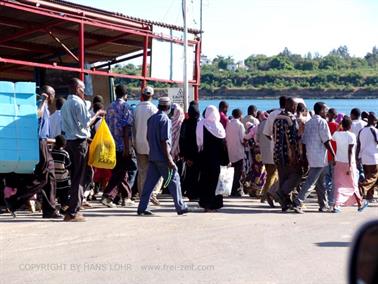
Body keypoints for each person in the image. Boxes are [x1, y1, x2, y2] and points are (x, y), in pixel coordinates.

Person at [4, 85, 61, 219]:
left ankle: (49, 209)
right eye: (52, 95)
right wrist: (43, 101)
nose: (53, 98)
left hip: (43, 143)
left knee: (49, 177)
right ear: (48, 95)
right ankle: (15, 200)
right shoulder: (40, 105)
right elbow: (37, 115)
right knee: (42, 178)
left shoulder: (44, 107)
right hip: (39, 144)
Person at [61, 78, 105, 222]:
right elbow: (86, 123)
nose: (84, 91)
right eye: (82, 88)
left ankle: (73, 203)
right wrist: (97, 115)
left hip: (71, 142)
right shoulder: (77, 102)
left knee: (81, 175)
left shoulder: (66, 103)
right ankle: (73, 211)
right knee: (81, 176)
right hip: (79, 143)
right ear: (78, 88)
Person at [137, 97, 188, 215]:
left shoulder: (151, 119)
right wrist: (169, 160)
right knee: (174, 180)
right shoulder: (165, 120)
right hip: (163, 158)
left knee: (149, 184)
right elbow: (164, 141)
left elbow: (148, 137)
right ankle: (180, 206)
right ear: (168, 107)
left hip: (153, 156)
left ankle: (142, 207)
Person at [293, 102, 336, 214]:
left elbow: (304, 141)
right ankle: (298, 202)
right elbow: (326, 140)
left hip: (311, 155)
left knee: (321, 182)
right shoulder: (322, 122)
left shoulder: (309, 122)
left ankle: (323, 205)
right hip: (320, 156)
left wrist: (304, 156)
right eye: (325, 110)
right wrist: (333, 154)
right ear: (321, 110)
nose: (327, 112)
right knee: (311, 182)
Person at [101, 84, 135, 208]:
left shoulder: (109, 107)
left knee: (121, 171)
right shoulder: (126, 107)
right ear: (126, 95)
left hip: (111, 144)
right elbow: (127, 128)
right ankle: (108, 195)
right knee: (120, 172)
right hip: (122, 144)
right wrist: (128, 147)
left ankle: (126, 197)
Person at [272, 98, 302, 212]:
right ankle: (281, 193)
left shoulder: (276, 118)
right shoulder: (291, 119)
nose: (295, 108)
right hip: (287, 155)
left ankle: (284, 205)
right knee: (297, 175)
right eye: (294, 106)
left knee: (283, 178)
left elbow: (273, 136)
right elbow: (292, 140)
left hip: (276, 153)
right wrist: (294, 155)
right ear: (291, 106)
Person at [197, 105, 228, 212]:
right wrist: (226, 160)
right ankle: (214, 205)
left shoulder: (201, 124)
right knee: (215, 183)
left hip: (204, 158)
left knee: (205, 182)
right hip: (216, 160)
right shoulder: (219, 127)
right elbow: (223, 145)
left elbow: (199, 142)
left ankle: (205, 204)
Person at [133, 86, 161, 205]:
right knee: (158, 171)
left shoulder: (135, 109)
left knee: (142, 171)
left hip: (138, 143)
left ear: (142, 95)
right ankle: (153, 194)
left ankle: (143, 195)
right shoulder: (154, 109)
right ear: (151, 95)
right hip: (151, 145)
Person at [332, 116, 365, 212]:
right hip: (349, 162)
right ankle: (359, 203)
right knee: (353, 184)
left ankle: (336, 205)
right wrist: (350, 166)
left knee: (339, 184)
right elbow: (350, 151)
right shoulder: (351, 136)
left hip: (338, 162)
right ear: (350, 126)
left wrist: (339, 127)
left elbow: (332, 137)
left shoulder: (337, 134)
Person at [255, 111, 278, 207]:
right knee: (272, 175)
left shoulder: (260, 125)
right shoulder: (273, 124)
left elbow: (257, 139)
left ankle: (272, 195)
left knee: (271, 174)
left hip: (264, 153)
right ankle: (265, 196)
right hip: (272, 153)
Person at [179, 101, 201, 200]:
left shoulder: (185, 123)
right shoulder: (200, 123)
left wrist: (185, 155)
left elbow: (182, 140)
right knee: (196, 174)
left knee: (189, 173)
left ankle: (189, 192)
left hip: (188, 154)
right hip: (197, 154)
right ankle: (195, 193)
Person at [357, 112, 378, 204]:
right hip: (373, 157)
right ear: (373, 120)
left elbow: (359, 145)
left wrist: (358, 157)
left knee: (368, 176)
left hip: (364, 158)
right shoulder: (374, 130)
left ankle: (369, 196)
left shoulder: (362, 131)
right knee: (373, 176)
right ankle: (362, 187)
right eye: (376, 119)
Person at [226, 109, 246, 197]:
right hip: (238, 152)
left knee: (233, 171)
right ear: (240, 115)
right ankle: (237, 190)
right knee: (238, 172)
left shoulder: (228, 124)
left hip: (230, 151)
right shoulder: (240, 125)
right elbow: (242, 139)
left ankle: (232, 189)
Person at [51, 135, 71, 214]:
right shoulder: (65, 154)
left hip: (53, 179)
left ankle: (53, 208)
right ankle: (64, 209)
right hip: (63, 180)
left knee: (53, 195)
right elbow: (68, 165)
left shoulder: (50, 152)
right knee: (64, 196)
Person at [326, 108, 339, 208]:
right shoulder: (338, 127)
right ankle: (332, 202)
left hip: (326, 156)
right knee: (334, 179)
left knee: (327, 179)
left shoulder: (325, 125)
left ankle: (328, 201)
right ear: (336, 116)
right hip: (335, 155)